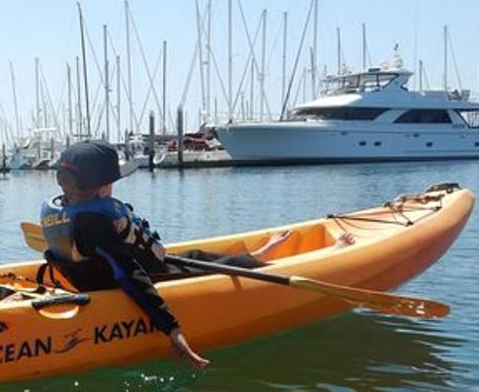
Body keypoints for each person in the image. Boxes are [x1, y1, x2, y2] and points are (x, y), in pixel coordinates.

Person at [39, 141, 298, 369]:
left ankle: (260, 253)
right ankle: (268, 261)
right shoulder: (93, 223)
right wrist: (172, 329)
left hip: (130, 269)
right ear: (103, 185)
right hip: (152, 279)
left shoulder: (64, 210)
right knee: (235, 265)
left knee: (196, 254)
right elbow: (128, 274)